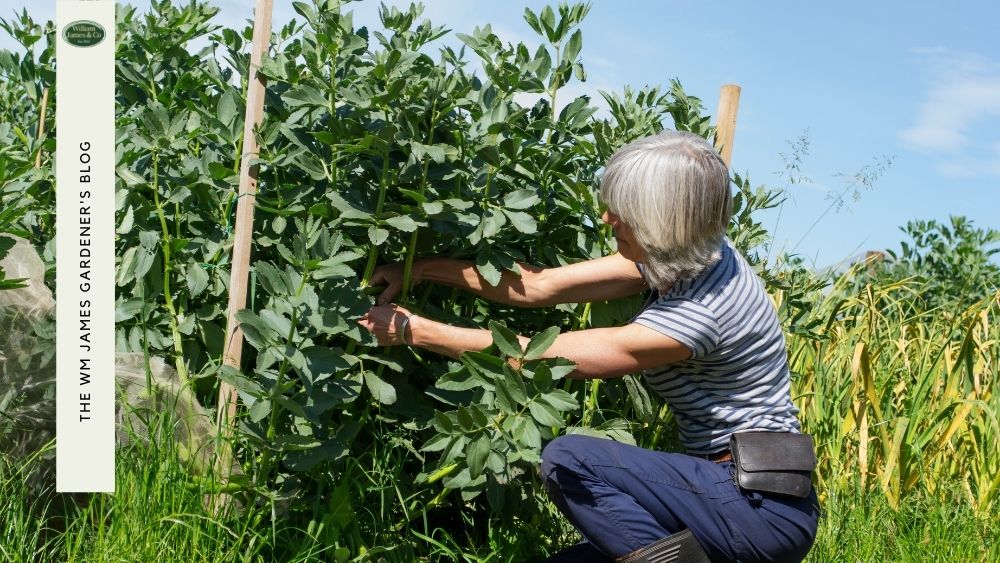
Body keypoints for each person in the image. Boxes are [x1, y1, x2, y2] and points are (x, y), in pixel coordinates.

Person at [358, 130, 820, 563]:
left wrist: (410, 330)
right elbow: (538, 286)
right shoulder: (689, 253)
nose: (606, 219)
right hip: (719, 490)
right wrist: (417, 268)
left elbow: (537, 356)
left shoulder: (702, 313)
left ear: (663, 223)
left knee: (570, 460)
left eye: (623, 212)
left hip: (756, 507)